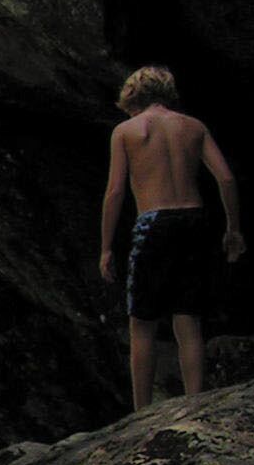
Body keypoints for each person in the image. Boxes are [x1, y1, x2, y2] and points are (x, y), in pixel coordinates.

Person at [99, 66, 245, 409]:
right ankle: (196, 404)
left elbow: (115, 192)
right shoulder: (193, 126)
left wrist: (106, 246)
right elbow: (225, 179)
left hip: (154, 222)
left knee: (142, 322)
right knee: (188, 318)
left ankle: (141, 411)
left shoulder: (127, 131)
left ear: (133, 96)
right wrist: (233, 229)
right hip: (195, 220)